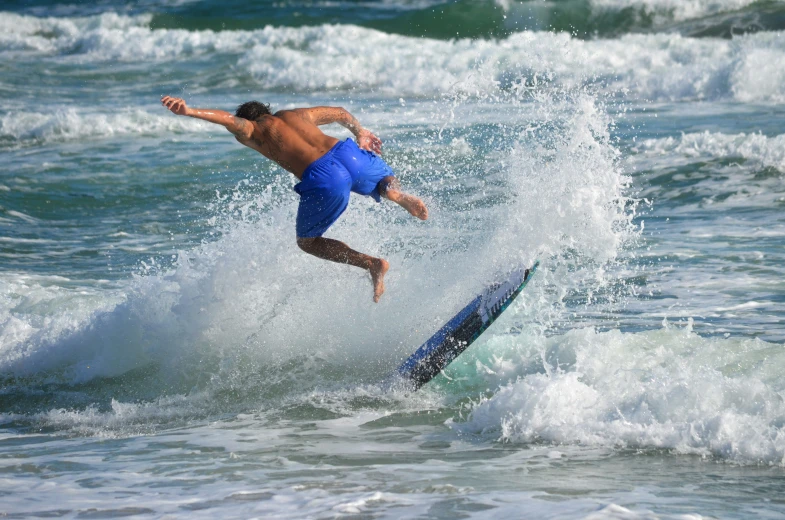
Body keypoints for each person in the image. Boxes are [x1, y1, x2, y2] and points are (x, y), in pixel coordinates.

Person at [161, 96, 428, 302]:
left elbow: (228, 120)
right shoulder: (295, 114)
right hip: (347, 153)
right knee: (385, 177)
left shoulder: (254, 130)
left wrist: (190, 111)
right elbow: (339, 113)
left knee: (308, 242)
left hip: (324, 176)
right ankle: (393, 193)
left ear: (251, 120)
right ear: (266, 110)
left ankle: (371, 263)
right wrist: (359, 132)